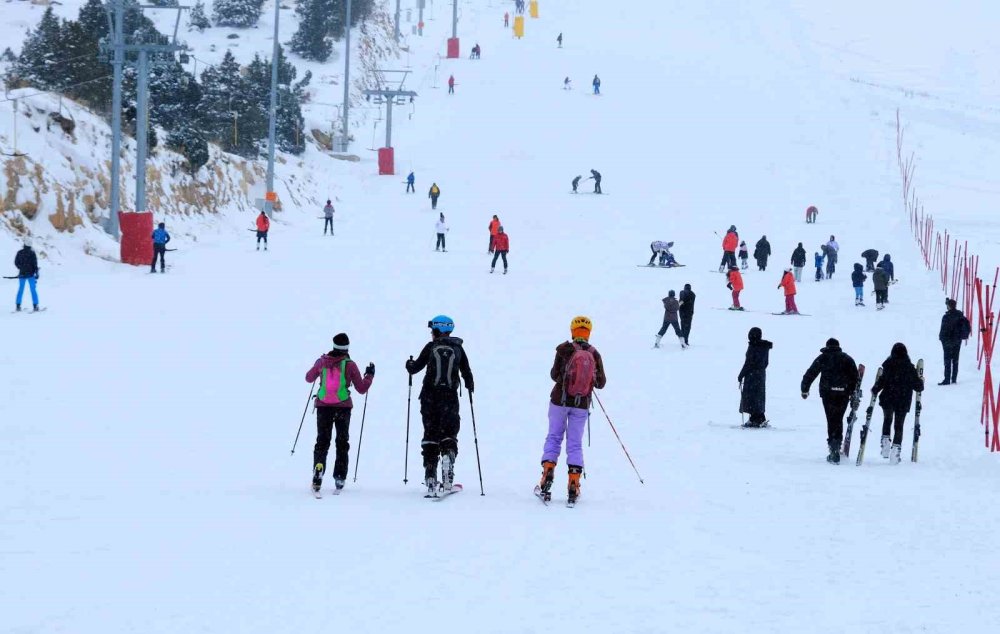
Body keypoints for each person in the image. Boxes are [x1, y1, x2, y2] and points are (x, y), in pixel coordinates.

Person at [537, 316, 607, 504]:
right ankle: (574, 483)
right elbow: (601, 383)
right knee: (575, 443)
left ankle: (547, 473)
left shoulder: (564, 349)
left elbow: (554, 375)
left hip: (559, 400)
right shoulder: (594, 353)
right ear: (589, 332)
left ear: (572, 331)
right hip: (581, 404)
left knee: (554, 437)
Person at [406, 316, 474, 494]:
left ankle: (430, 473)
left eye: (432, 330)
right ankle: (447, 458)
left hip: (429, 397)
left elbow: (414, 368)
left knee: (430, 433)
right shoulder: (458, 348)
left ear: (437, 330)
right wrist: (469, 385)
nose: (430, 333)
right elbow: (467, 373)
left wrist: (409, 364)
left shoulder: (431, 347)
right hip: (450, 398)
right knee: (449, 433)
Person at [305, 333, 374, 493]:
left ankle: (318, 468)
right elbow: (362, 389)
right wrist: (369, 375)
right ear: (347, 348)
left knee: (322, 441)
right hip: (343, 408)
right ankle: (340, 477)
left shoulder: (322, 362)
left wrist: (318, 367)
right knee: (342, 443)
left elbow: (309, 378)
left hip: (323, 407)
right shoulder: (350, 365)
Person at [801, 338, 860, 464]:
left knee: (831, 419)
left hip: (827, 393)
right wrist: (852, 391)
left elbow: (811, 373)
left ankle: (833, 447)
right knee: (838, 418)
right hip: (843, 393)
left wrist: (804, 389)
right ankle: (836, 445)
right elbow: (855, 377)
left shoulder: (823, 358)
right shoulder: (847, 359)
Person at [870, 342, 924, 464]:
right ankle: (895, 452)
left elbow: (881, 381)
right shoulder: (909, 368)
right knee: (899, 425)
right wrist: (921, 381)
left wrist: (875, 389)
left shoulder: (888, 366)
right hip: (903, 400)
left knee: (887, 420)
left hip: (888, 398)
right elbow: (918, 387)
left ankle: (885, 444)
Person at [738, 327, 772, 428]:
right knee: (758, 397)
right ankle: (759, 417)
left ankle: (755, 419)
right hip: (761, 375)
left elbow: (748, 363)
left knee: (751, 397)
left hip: (752, 375)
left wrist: (741, 375)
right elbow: (766, 363)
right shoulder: (764, 347)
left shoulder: (753, 346)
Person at [938, 298, 972, 385]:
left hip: (948, 342)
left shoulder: (947, 317)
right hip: (957, 341)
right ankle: (954, 379)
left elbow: (944, 330)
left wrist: (942, 339)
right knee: (955, 360)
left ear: (949, 306)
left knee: (947, 361)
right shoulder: (960, 316)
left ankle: (947, 379)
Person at [13, 238, 39, 312]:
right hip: (31, 275)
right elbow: (35, 264)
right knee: (33, 290)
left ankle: (18, 306)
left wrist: (21, 268)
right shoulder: (32, 253)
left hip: (22, 274)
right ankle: (35, 306)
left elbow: (16, 262)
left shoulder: (19, 252)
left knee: (20, 290)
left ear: (24, 244)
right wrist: (36, 273)